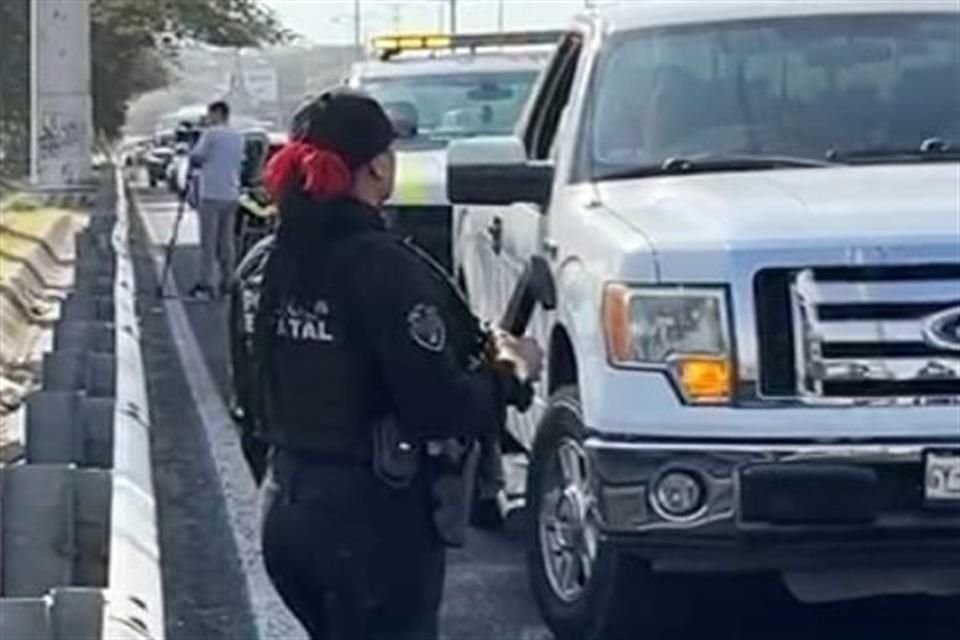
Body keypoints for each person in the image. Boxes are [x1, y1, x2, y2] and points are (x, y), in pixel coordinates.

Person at [254, 89, 543, 640]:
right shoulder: (382, 266)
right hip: (371, 528)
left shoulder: (278, 260)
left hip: (286, 509)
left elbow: (252, 388)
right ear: (379, 166)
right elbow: (440, 409)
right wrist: (508, 371)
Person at [189, 100, 245, 299]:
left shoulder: (211, 134)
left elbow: (197, 156)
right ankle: (228, 281)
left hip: (211, 193)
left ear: (217, 114)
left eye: (210, 114)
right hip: (231, 193)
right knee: (226, 241)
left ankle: (206, 283)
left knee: (208, 242)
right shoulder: (237, 137)